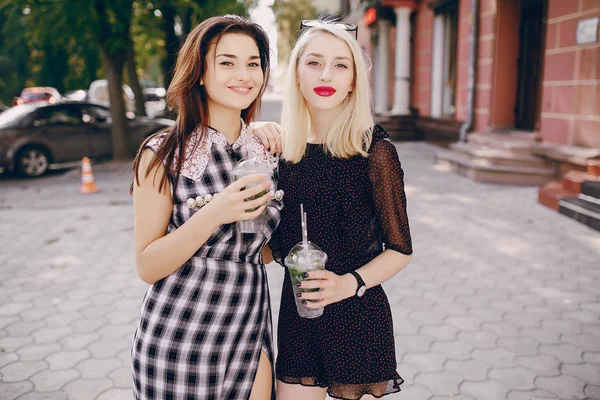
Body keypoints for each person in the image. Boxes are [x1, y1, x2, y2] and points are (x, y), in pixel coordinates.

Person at [257, 20, 413, 400]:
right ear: (295, 74)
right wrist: (250, 136)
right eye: (314, 62)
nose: (326, 74)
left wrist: (348, 283)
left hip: (359, 316)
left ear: (354, 81)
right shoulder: (283, 152)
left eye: (341, 65)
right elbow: (269, 247)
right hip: (300, 313)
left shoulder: (374, 152)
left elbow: (400, 250)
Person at [130, 15, 281, 400]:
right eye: (226, 62)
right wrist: (216, 212)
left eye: (253, 63)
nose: (243, 74)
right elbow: (148, 265)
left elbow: (257, 253)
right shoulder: (163, 154)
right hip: (180, 336)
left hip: (248, 323)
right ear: (199, 73)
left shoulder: (266, 152)